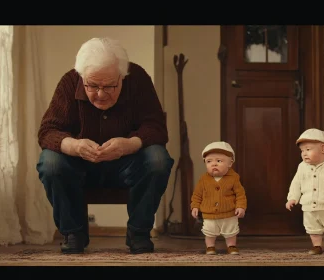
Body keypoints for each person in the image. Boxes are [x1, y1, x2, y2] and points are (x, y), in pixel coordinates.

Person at [36, 37, 174, 255]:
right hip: (79, 166)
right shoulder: (69, 82)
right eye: (92, 85)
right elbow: (47, 131)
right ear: (81, 77)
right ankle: (74, 234)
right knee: (50, 162)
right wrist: (74, 146)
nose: (100, 94)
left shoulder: (137, 79)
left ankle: (139, 234)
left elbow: (157, 128)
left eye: (109, 85)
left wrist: (129, 144)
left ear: (122, 75)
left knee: (158, 159)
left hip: (126, 165)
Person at [190, 141, 247, 255]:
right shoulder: (203, 179)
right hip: (209, 213)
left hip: (229, 212)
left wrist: (241, 207)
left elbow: (240, 195)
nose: (214, 164)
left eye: (219, 161)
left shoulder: (233, 178)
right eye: (209, 161)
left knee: (231, 231)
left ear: (230, 163)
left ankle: (231, 246)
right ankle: (210, 247)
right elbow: (197, 195)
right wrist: (195, 206)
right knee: (209, 231)